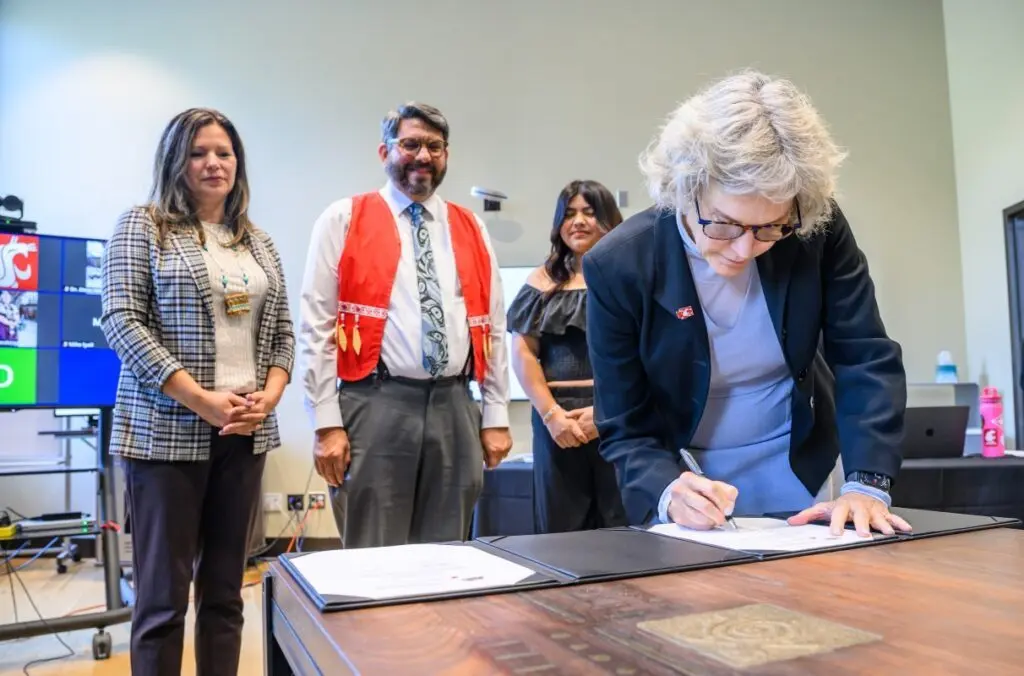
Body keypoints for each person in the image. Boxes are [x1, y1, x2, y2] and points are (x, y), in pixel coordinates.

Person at [583, 71, 913, 538]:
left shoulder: (816, 230)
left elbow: (864, 355)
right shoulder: (620, 264)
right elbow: (625, 424)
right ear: (684, 188)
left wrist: (868, 485)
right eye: (723, 225)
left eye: (770, 229)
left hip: (804, 465)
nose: (744, 250)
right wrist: (666, 489)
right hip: (689, 478)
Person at [101, 107, 294, 676]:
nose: (214, 164)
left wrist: (272, 394)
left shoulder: (256, 241)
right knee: (162, 601)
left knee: (227, 595)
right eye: (198, 153)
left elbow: (282, 331)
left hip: (245, 434)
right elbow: (121, 321)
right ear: (175, 161)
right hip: (165, 435)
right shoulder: (144, 225)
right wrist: (201, 399)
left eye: (224, 153)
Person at [298, 101, 513, 549]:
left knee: (447, 553)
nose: (423, 156)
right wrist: (325, 423)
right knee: (374, 554)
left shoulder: (470, 225)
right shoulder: (344, 218)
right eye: (410, 144)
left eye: (435, 146)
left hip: (455, 406)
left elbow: (492, 325)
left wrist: (495, 416)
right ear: (385, 152)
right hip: (376, 403)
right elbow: (316, 326)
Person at [507, 180, 628, 532]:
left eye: (589, 213)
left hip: (617, 416)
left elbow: (646, 356)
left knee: (620, 522)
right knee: (560, 524)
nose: (578, 222)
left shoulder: (631, 278)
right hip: (554, 419)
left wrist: (605, 414)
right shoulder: (540, 281)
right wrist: (551, 415)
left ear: (609, 219)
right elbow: (524, 354)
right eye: (570, 214)